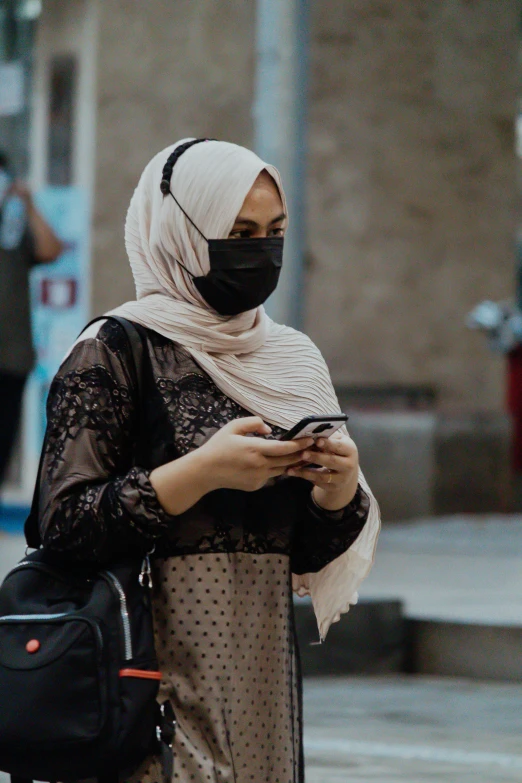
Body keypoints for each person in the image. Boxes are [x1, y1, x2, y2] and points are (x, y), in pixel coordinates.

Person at [38, 138, 380, 783]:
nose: (261, 250)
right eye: (239, 232)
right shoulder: (116, 348)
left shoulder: (291, 359)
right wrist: (200, 473)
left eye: (275, 231)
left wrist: (336, 492)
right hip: (146, 671)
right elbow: (61, 524)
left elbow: (300, 552)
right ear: (180, 232)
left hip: (260, 675)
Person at [0, 151, 63, 486]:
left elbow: (52, 249)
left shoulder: (13, 228)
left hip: (11, 356)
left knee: (3, 441)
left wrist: (27, 203)